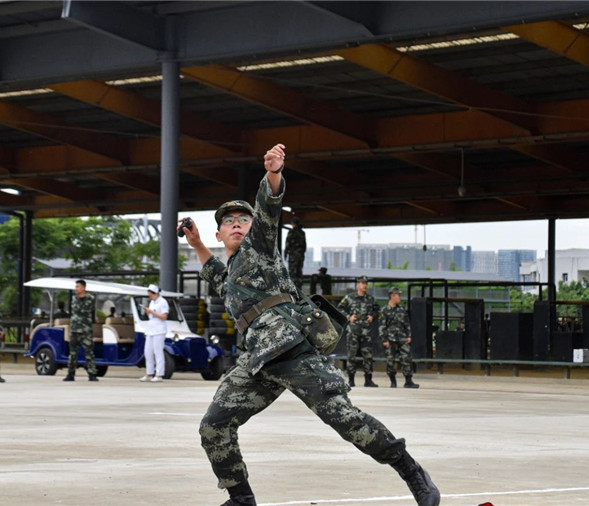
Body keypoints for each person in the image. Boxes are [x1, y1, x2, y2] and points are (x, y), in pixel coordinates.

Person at [179, 143, 439, 506]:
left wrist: (272, 175)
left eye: (243, 219)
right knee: (214, 425)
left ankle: (413, 473)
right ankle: (241, 498)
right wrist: (196, 243)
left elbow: (268, 209)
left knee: (346, 420)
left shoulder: (261, 246)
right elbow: (214, 273)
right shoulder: (231, 274)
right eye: (228, 221)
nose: (236, 223)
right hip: (258, 362)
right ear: (220, 234)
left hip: (292, 349)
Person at [338, 275, 378, 387]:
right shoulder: (349, 297)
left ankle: (368, 380)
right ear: (358, 284)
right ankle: (351, 380)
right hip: (353, 331)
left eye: (366, 283)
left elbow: (377, 310)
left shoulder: (371, 299)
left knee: (368, 356)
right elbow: (340, 308)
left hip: (366, 332)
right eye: (362, 283)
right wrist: (348, 317)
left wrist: (372, 316)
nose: (364, 285)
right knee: (351, 355)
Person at [379, 287, 419, 389]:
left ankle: (408, 381)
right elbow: (382, 326)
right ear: (392, 296)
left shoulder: (401, 310)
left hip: (402, 338)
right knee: (390, 361)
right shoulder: (384, 310)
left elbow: (407, 324)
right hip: (390, 339)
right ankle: (393, 381)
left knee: (406, 359)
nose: (400, 297)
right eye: (398, 295)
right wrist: (384, 340)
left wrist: (409, 335)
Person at [63, 279, 98, 382]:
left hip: (85, 329)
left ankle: (92, 374)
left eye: (78, 286)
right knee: (73, 353)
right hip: (74, 329)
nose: (76, 288)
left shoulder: (90, 298)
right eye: (75, 286)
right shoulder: (74, 298)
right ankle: (70, 374)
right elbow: (75, 311)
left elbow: (85, 310)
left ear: (83, 287)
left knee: (89, 352)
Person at [139, 284, 169, 382]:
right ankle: (149, 373)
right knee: (148, 352)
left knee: (158, 352)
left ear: (155, 293)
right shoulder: (152, 302)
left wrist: (152, 312)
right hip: (150, 330)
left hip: (159, 331)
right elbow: (151, 317)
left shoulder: (163, 302)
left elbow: (164, 316)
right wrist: (148, 312)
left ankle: (159, 374)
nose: (150, 297)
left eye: (150, 295)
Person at [283, 215, 306, 289]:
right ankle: (299, 288)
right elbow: (304, 245)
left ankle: (293, 289)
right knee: (299, 272)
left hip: (293, 255)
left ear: (293, 223)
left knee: (293, 272)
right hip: (301, 255)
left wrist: (286, 253)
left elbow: (288, 243)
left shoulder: (291, 232)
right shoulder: (302, 232)